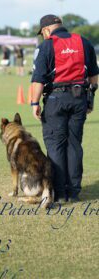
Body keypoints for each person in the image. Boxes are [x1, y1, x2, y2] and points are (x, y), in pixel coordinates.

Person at [31, 14, 99, 203]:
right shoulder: (84, 42)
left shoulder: (46, 45)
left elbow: (38, 79)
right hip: (79, 98)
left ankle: (60, 192)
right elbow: (94, 77)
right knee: (74, 144)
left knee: (55, 145)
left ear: (46, 30)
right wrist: (90, 100)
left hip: (55, 99)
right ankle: (74, 192)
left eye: (42, 33)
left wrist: (34, 103)